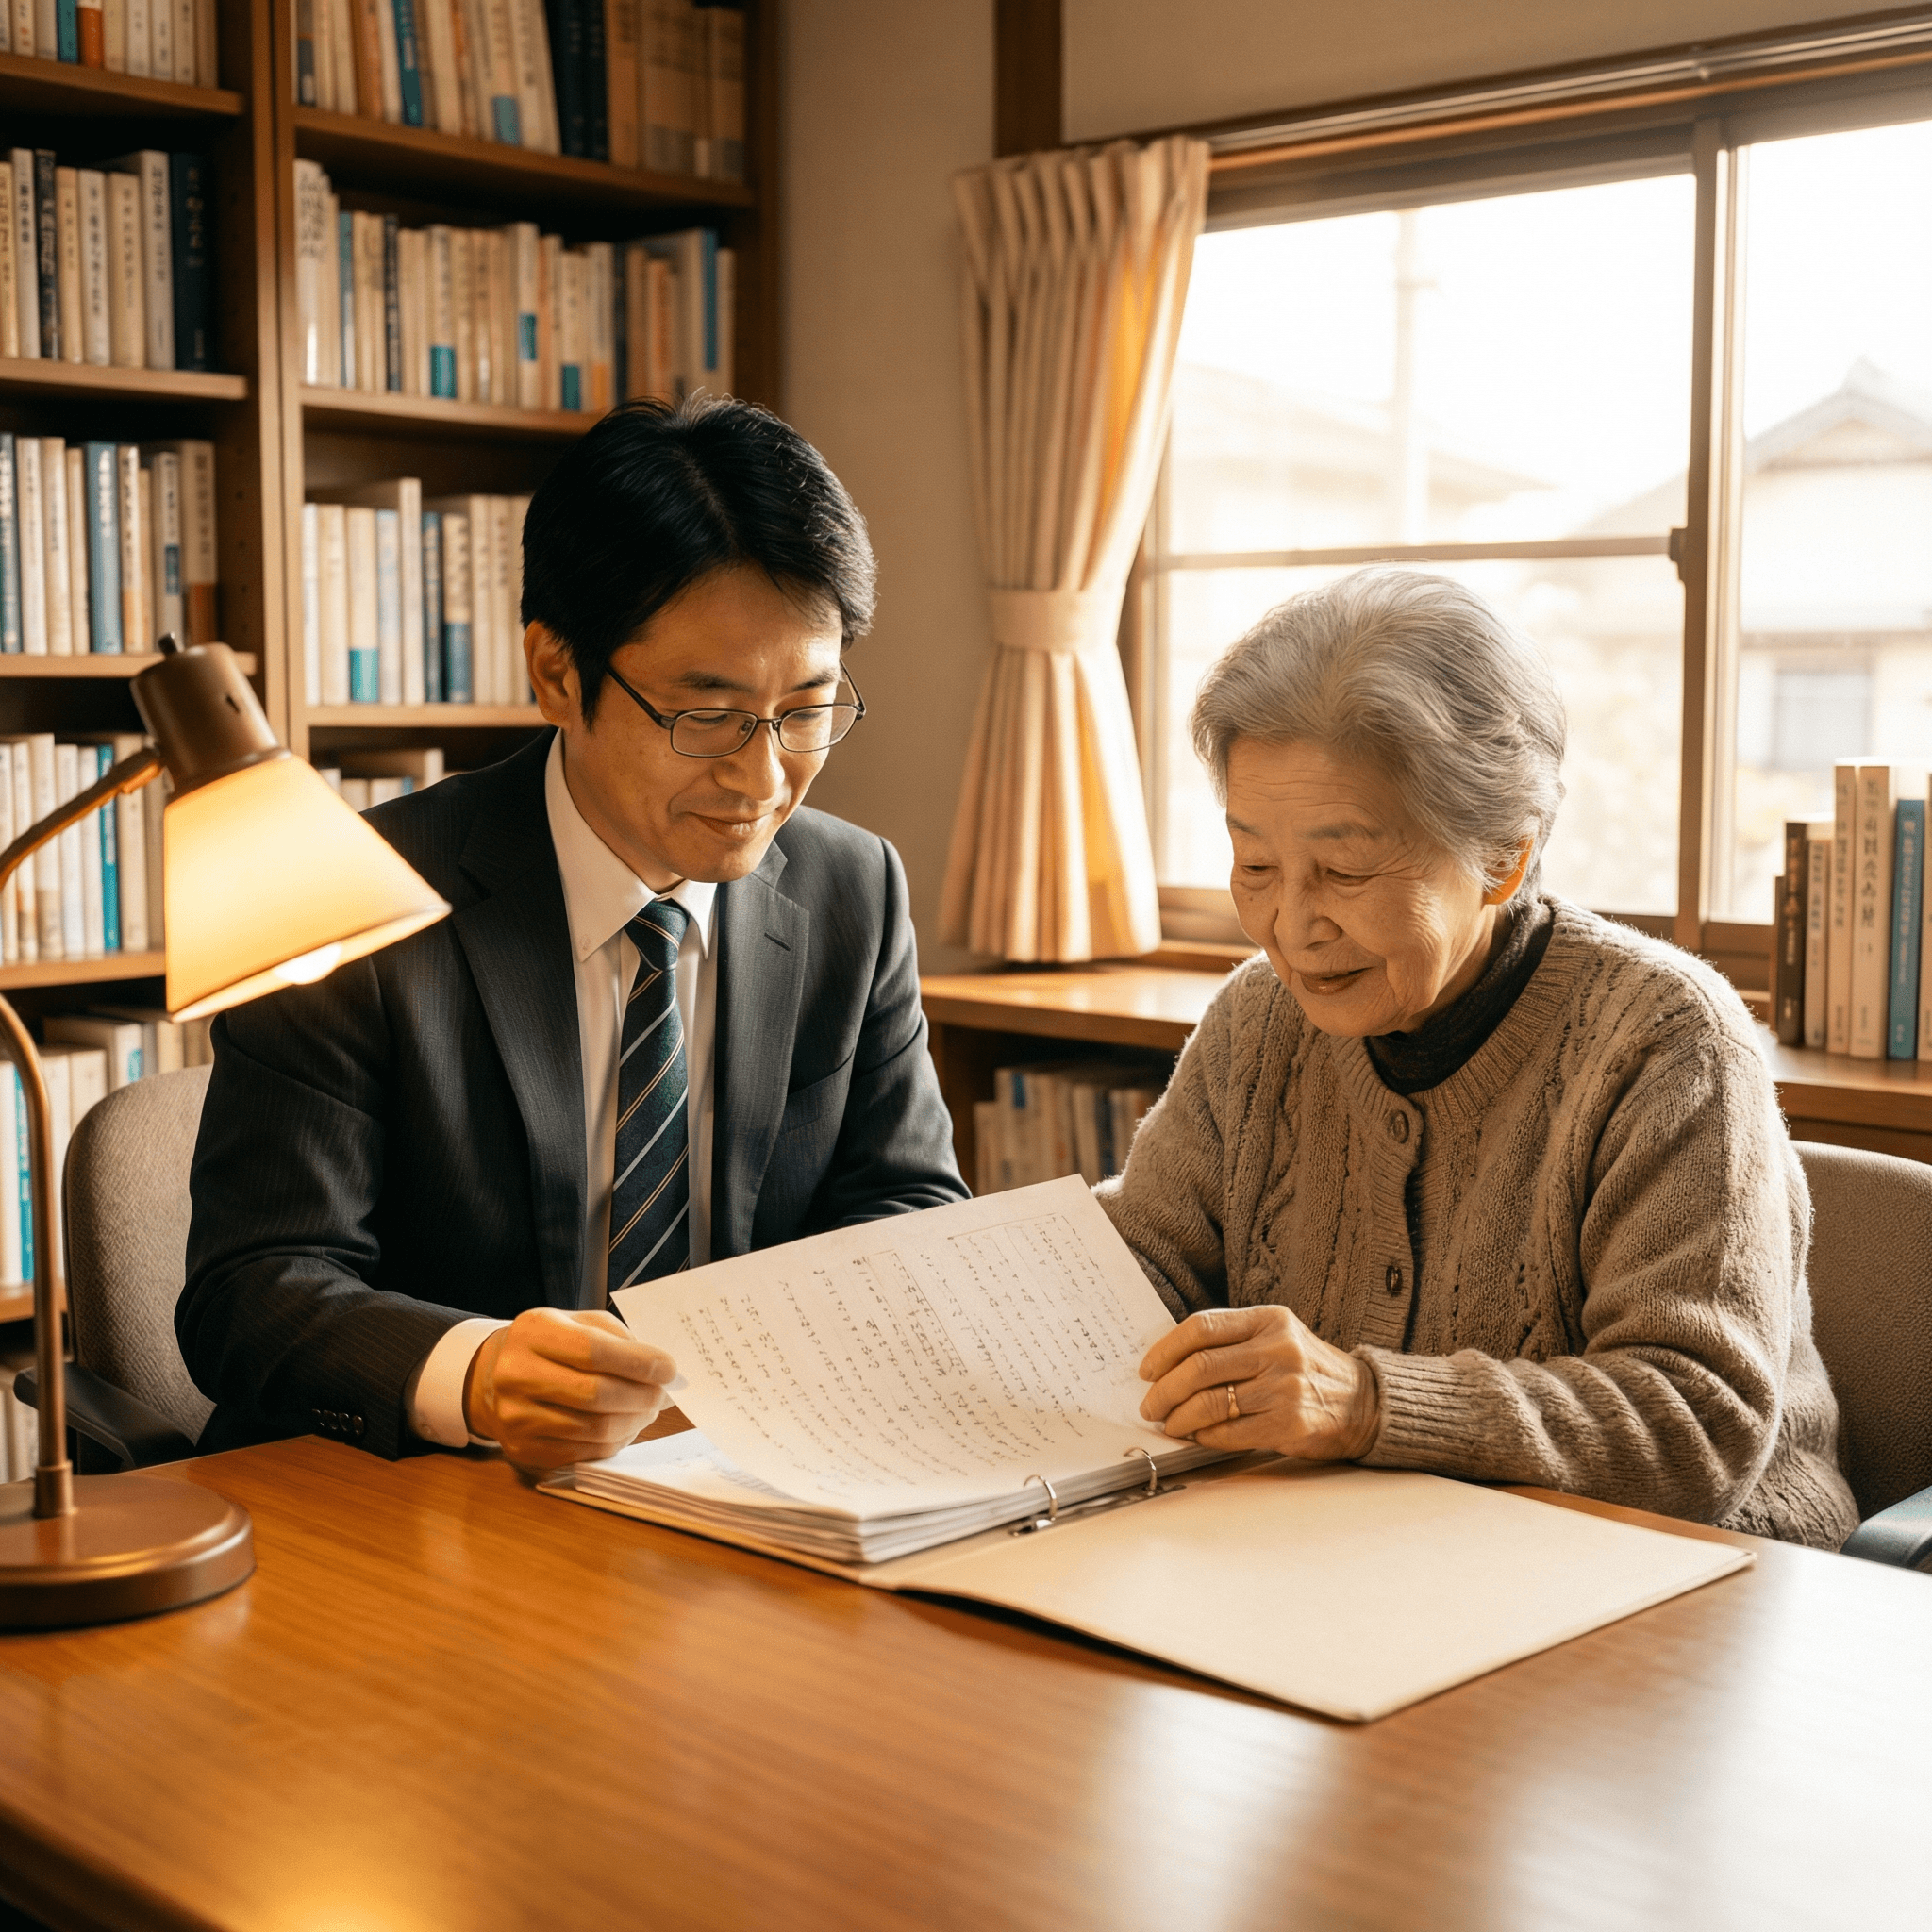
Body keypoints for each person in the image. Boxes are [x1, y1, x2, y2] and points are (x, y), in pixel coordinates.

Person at [181, 397, 968, 1469]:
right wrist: (478, 1373)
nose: (763, 774)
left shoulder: (850, 887)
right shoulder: (357, 899)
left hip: (738, 1494)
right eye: (707, 714)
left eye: (806, 710)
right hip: (428, 1506)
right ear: (555, 672)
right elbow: (252, 1287)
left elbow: (906, 1204)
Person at [1104, 568, 1857, 1548]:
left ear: (1502, 853)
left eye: (1341, 869)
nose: (1287, 926)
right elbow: (1136, 1272)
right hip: (1367, 1554)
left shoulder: (1667, 1042)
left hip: (1691, 1568)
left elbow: (1690, 1420)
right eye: (1254, 864)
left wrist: (1368, 1402)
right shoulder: (1256, 1022)